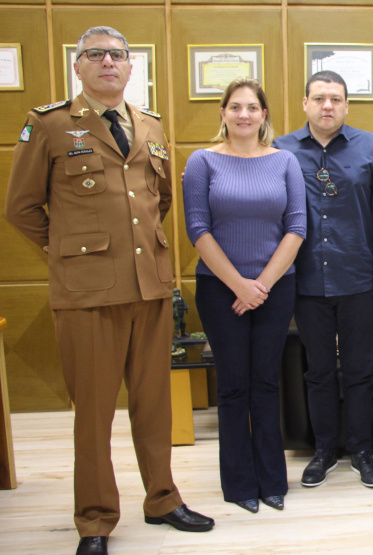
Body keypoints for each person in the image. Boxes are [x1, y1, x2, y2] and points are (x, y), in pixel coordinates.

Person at [4, 26, 213, 555]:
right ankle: (95, 519)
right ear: (78, 67)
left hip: (150, 288)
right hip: (88, 293)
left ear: (129, 65)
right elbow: (21, 208)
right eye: (94, 55)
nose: (107, 63)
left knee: (154, 406)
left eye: (117, 55)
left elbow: (159, 199)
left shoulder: (151, 125)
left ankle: (163, 499)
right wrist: (70, 249)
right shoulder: (49, 125)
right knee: (94, 413)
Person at [183, 77, 307, 513]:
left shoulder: (285, 162)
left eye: (252, 107)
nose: (243, 114)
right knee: (233, 386)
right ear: (223, 113)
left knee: (266, 383)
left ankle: (272, 481)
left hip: (276, 287)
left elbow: (297, 227)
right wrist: (239, 285)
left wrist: (262, 286)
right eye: (235, 107)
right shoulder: (202, 161)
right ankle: (238, 484)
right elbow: (197, 228)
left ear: (264, 114)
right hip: (220, 290)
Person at [273, 70, 373, 489]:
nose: (327, 106)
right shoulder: (281, 149)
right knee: (319, 372)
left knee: (361, 370)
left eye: (336, 99)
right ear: (305, 103)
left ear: (346, 105)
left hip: (360, 278)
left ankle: (362, 450)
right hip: (305, 281)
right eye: (320, 98)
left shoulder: (369, 147)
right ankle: (325, 449)